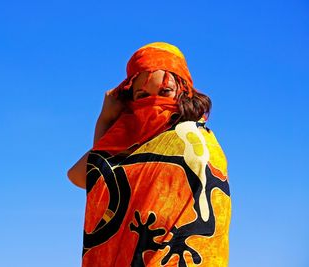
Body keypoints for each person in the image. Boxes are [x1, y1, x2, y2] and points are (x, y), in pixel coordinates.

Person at [68, 42, 231, 267]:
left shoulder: (195, 140)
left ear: (183, 91)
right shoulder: (134, 142)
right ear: (130, 101)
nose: (154, 104)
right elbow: (88, 177)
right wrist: (106, 120)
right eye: (142, 95)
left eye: (165, 92)